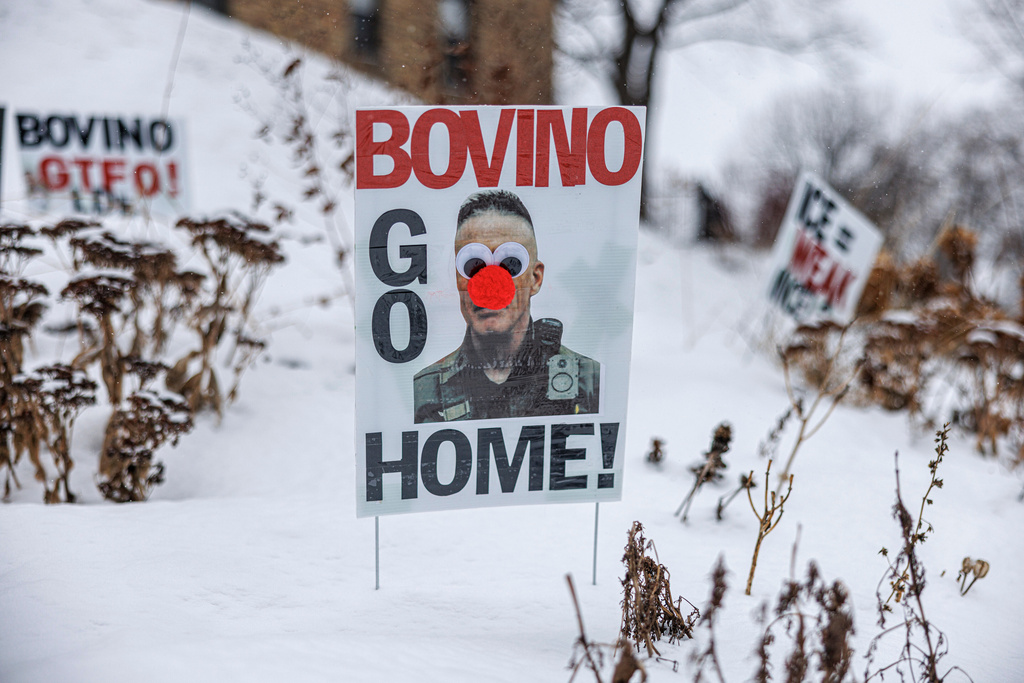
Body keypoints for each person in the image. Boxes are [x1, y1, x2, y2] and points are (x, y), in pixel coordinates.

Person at [413, 189, 600, 423]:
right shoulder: (423, 395)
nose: (489, 286)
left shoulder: (589, 382)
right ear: (458, 279)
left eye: (511, 265)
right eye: (473, 265)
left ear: (535, 279)